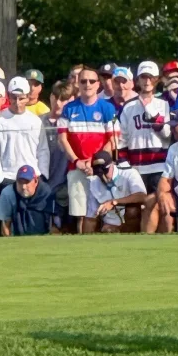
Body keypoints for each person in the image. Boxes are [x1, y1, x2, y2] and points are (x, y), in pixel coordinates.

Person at [58, 66, 117, 233]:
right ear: (78, 83)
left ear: (98, 84)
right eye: (83, 81)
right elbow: (63, 139)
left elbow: (113, 140)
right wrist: (77, 161)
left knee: (104, 212)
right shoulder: (68, 109)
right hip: (77, 168)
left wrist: (95, 163)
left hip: (101, 168)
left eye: (92, 81)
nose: (88, 84)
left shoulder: (108, 108)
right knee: (81, 215)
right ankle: (82, 246)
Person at [118, 61, 171, 233]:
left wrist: (153, 114)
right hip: (136, 167)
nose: (147, 81)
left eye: (151, 77)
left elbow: (167, 134)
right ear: (138, 80)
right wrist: (124, 165)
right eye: (143, 77)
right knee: (133, 211)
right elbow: (122, 139)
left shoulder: (163, 104)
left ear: (156, 80)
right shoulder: (129, 107)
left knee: (157, 206)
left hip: (159, 166)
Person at [0, 77, 50, 193]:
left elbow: (43, 150)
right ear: (8, 96)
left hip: (32, 178)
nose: (17, 102)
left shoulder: (35, 121)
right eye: (14, 97)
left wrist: (42, 175)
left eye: (21, 98)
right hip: (7, 178)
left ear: (28, 97)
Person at [85, 151, 146, 233]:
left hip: (130, 220)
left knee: (133, 211)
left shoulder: (129, 173)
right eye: (98, 172)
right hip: (110, 223)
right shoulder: (94, 182)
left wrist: (114, 202)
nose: (102, 175)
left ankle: (132, 237)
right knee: (106, 229)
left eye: (105, 171)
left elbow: (142, 196)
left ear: (112, 165)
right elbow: (90, 218)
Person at [41, 80, 73, 224]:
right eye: (56, 98)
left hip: (66, 186)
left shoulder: (74, 124)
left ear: (71, 100)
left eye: (64, 99)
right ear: (51, 97)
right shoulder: (37, 122)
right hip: (42, 184)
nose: (59, 103)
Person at [0, 165, 57, 236]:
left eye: (27, 182)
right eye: (20, 182)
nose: (23, 187)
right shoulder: (8, 193)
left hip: (43, 237)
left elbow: (54, 226)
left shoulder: (47, 192)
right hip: (17, 238)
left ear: (35, 181)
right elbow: (5, 226)